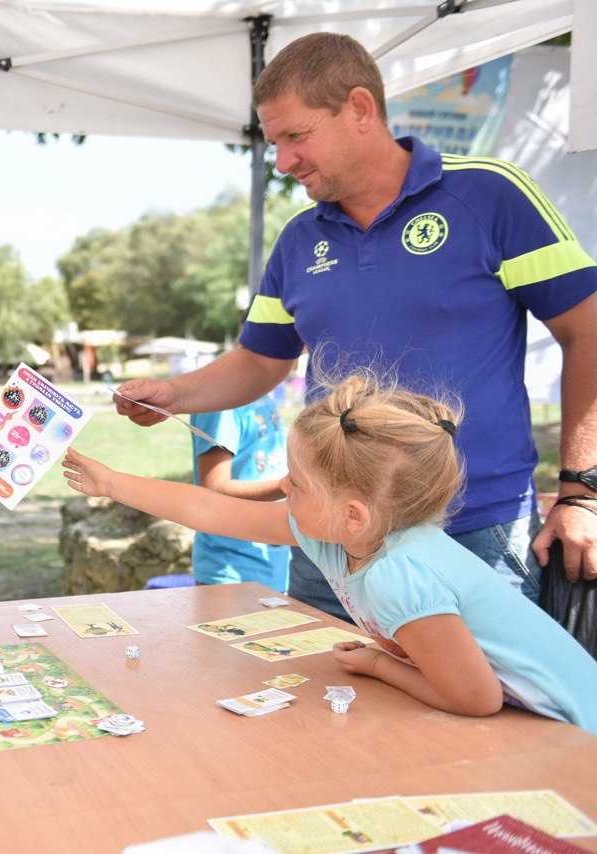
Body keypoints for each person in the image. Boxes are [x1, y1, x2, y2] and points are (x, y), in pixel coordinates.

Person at [113, 33, 597, 621]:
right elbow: (260, 360)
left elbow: (588, 329)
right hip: (328, 542)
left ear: (360, 109)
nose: (283, 162)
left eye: (296, 136)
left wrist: (583, 491)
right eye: (274, 143)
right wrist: (174, 395)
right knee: (321, 709)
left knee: (483, 711)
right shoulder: (298, 240)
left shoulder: (489, 194)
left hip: (474, 532)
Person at [66, 374, 597, 732]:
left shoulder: (397, 574)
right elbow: (211, 511)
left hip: (578, 734)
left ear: (353, 514)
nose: (282, 489)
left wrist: (378, 664)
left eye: (295, 483)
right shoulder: (335, 532)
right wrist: (112, 482)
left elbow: (474, 698)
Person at [189, 392, 290, 591]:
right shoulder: (222, 401)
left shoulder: (261, 386)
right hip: (231, 570)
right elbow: (214, 487)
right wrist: (289, 486)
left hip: (274, 565)